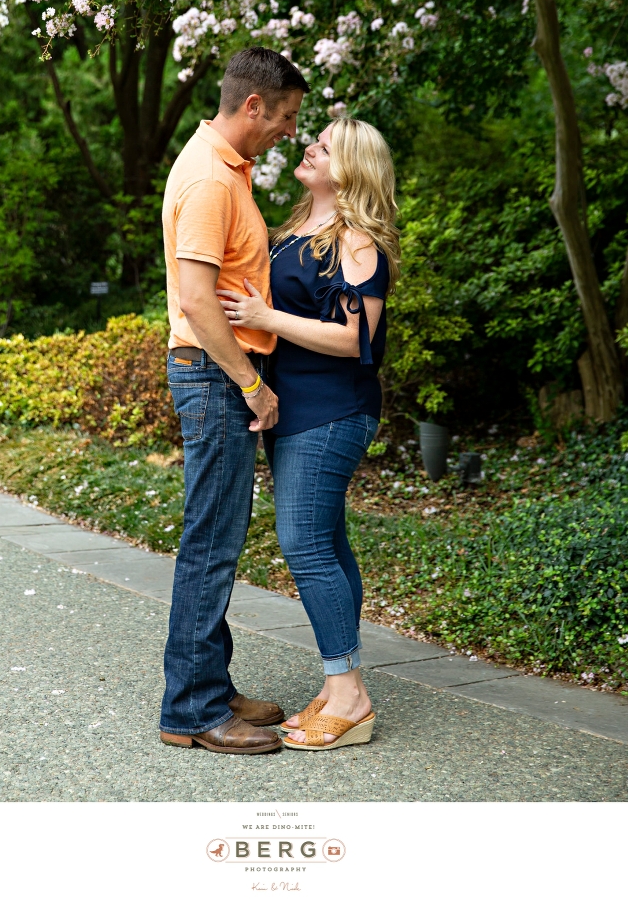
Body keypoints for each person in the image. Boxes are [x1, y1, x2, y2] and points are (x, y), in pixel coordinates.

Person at [217, 117, 399, 751]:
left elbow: (358, 341)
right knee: (328, 543)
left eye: (321, 146)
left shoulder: (356, 240)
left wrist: (267, 316)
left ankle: (348, 693)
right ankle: (339, 683)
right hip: (294, 409)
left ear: (346, 168)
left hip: (333, 410)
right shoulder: (300, 227)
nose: (308, 147)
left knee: (304, 543)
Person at [159, 47, 308, 754]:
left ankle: (210, 686)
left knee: (216, 539)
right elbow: (195, 298)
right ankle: (191, 711)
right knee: (210, 545)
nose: (288, 130)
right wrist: (252, 382)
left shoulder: (224, 170)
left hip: (218, 375)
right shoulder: (212, 180)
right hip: (217, 377)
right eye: (284, 117)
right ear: (253, 106)